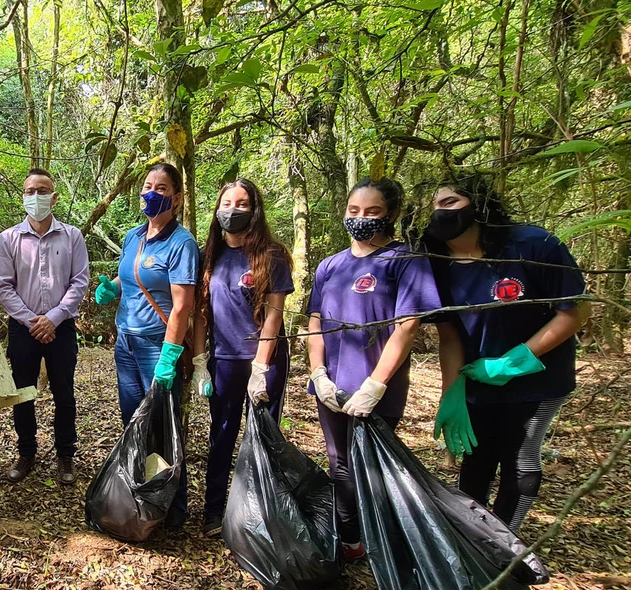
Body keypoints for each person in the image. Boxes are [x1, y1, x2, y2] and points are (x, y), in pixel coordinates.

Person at [424, 173, 588, 534]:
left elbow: (574, 311)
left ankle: (507, 541)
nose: (441, 213)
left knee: (520, 454)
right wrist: (451, 391)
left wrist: (513, 362)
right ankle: (473, 536)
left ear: (479, 205)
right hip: (475, 375)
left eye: (450, 203)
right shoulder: (435, 261)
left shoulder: (532, 244)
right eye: (434, 206)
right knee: (477, 456)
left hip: (539, 378)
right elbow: (448, 332)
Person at [306, 177, 441, 560]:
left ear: (390, 215)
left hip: (376, 388)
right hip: (331, 384)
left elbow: (407, 325)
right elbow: (315, 321)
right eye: (354, 211)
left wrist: (375, 385)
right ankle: (350, 541)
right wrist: (318, 373)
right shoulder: (330, 266)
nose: (361, 218)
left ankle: (380, 541)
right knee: (339, 465)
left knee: (374, 468)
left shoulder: (404, 260)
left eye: (372, 211)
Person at [92, 162, 199, 528]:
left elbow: (183, 305)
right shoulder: (133, 236)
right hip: (126, 345)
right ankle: (140, 498)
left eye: (162, 187)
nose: (152, 192)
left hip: (158, 346)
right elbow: (132, 281)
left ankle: (173, 511)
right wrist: (113, 291)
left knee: (162, 428)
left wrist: (170, 356)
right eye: (148, 185)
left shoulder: (181, 243)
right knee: (133, 424)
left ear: (177, 197)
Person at [190, 178, 294, 537]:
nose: (232, 210)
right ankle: (214, 511)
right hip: (223, 361)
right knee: (221, 436)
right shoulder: (210, 256)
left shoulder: (272, 255)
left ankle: (258, 513)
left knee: (261, 438)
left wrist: (261, 368)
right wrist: (200, 361)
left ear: (255, 210)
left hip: (264, 362)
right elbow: (201, 312)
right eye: (227, 203)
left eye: (242, 204)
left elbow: (274, 314)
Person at [0, 168, 90, 485]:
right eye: (30, 191)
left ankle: (65, 456)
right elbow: (3, 286)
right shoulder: (9, 238)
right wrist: (31, 319)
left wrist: (55, 317)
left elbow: (79, 282)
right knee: (23, 393)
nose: (36, 196)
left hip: (61, 328)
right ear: (24, 196)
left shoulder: (72, 236)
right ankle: (26, 453)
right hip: (24, 329)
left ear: (54, 196)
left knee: (64, 394)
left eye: (42, 190)